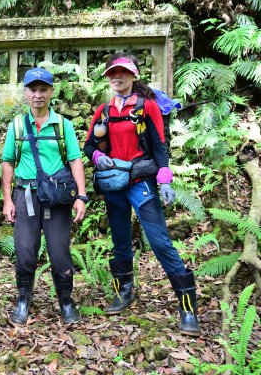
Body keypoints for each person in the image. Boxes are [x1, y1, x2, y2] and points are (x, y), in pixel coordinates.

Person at [83, 53, 200, 336]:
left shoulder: (148, 107)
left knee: (159, 241)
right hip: (114, 184)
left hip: (142, 182)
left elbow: (160, 145)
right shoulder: (104, 110)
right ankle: (124, 291)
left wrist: (166, 181)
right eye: (112, 73)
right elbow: (88, 146)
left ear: (133, 75)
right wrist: (98, 156)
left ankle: (187, 307)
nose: (116, 77)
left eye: (122, 72)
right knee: (120, 239)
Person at [2, 67, 88, 325]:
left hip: (57, 198)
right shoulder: (16, 125)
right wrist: (7, 199)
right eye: (32, 89)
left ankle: (66, 300)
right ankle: (23, 298)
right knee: (25, 251)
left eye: (43, 89)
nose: (38, 95)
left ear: (51, 92)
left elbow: (75, 161)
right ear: (25, 93)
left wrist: (81, 196)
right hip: (25, 195)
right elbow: (7, 162)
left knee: (59, 251)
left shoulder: (63, 125)